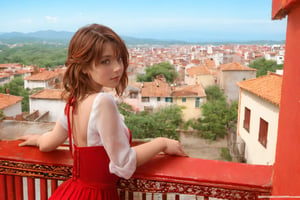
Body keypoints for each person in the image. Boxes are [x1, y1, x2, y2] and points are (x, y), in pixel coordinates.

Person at [17, 23, 187, 200]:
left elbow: (49, 143)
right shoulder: (103, 101)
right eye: (106, 61)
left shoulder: (74, 102)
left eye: (119, 59)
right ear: (83, 66)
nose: (118, 68)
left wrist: (36, 139)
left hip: (72, 192)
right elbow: (124, 162)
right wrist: (162, 143)